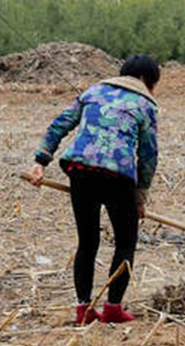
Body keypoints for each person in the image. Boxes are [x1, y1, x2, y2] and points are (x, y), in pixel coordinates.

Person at [30, 55, 160, 325]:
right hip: (118, 177)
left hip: (81, 172)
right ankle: (113, 308)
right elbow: (148, 155)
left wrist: (40, 162)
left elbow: (59, 125)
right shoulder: (145, 104)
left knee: (87, 243)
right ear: (148, 80)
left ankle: (83, 310)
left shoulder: (94, 91)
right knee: (125, 243)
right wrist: (140, 196)